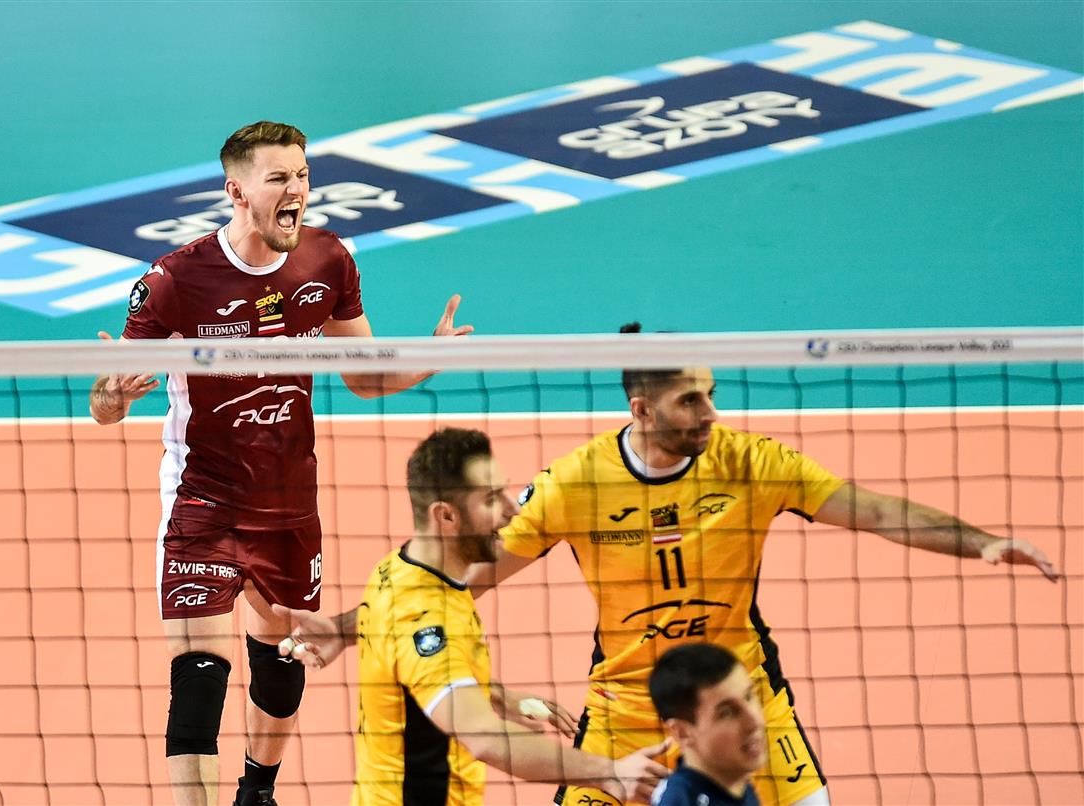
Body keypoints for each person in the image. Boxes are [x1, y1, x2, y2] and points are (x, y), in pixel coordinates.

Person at [278, 322, 1060, 806]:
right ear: (642, 409)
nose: (711, 413)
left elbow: (877, 511)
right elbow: (466, 576)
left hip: (742, 696)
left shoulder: (751, 463)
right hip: (626, 704)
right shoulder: (578, 483)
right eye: (692, 401)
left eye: (710, 394)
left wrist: (979, 541)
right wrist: (347, 628)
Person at [88, 120, 472, 806]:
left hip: (290, 503)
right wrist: (112, 399)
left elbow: (364, 376)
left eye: (302, 175)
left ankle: (256, 791)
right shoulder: (175, 280)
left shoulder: (327, 261)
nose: (296, 189)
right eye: (278, 178)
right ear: (237, 193)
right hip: (202, 500)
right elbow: (105, 402)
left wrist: (429, 359)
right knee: (199, 674)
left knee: (281, 664)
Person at [277, 427, 671, 804]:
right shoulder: (427, 615)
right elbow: (484, 738)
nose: (513, 510)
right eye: (492, 499)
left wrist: (495, 695)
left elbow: (402, 647)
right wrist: (611, 773)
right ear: (445, 516)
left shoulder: (398, 570)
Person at [648, 644, 765, 806]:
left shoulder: (737, 785)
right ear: (682, 732)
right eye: (726, 713)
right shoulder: (680, 801)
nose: (755, 722)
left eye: (749, 696)